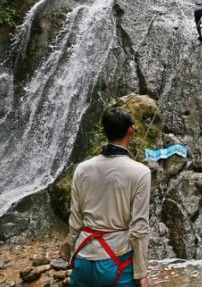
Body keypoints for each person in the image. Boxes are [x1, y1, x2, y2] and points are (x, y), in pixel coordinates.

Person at [67, 107, 151, 287]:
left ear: (103, 132)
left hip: (83, 258)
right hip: (115, 262)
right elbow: (139, 228)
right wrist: (141, 273)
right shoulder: (141, 173)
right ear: (131, 130)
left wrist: (68, 247)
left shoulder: (82, 169)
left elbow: (75, 218)